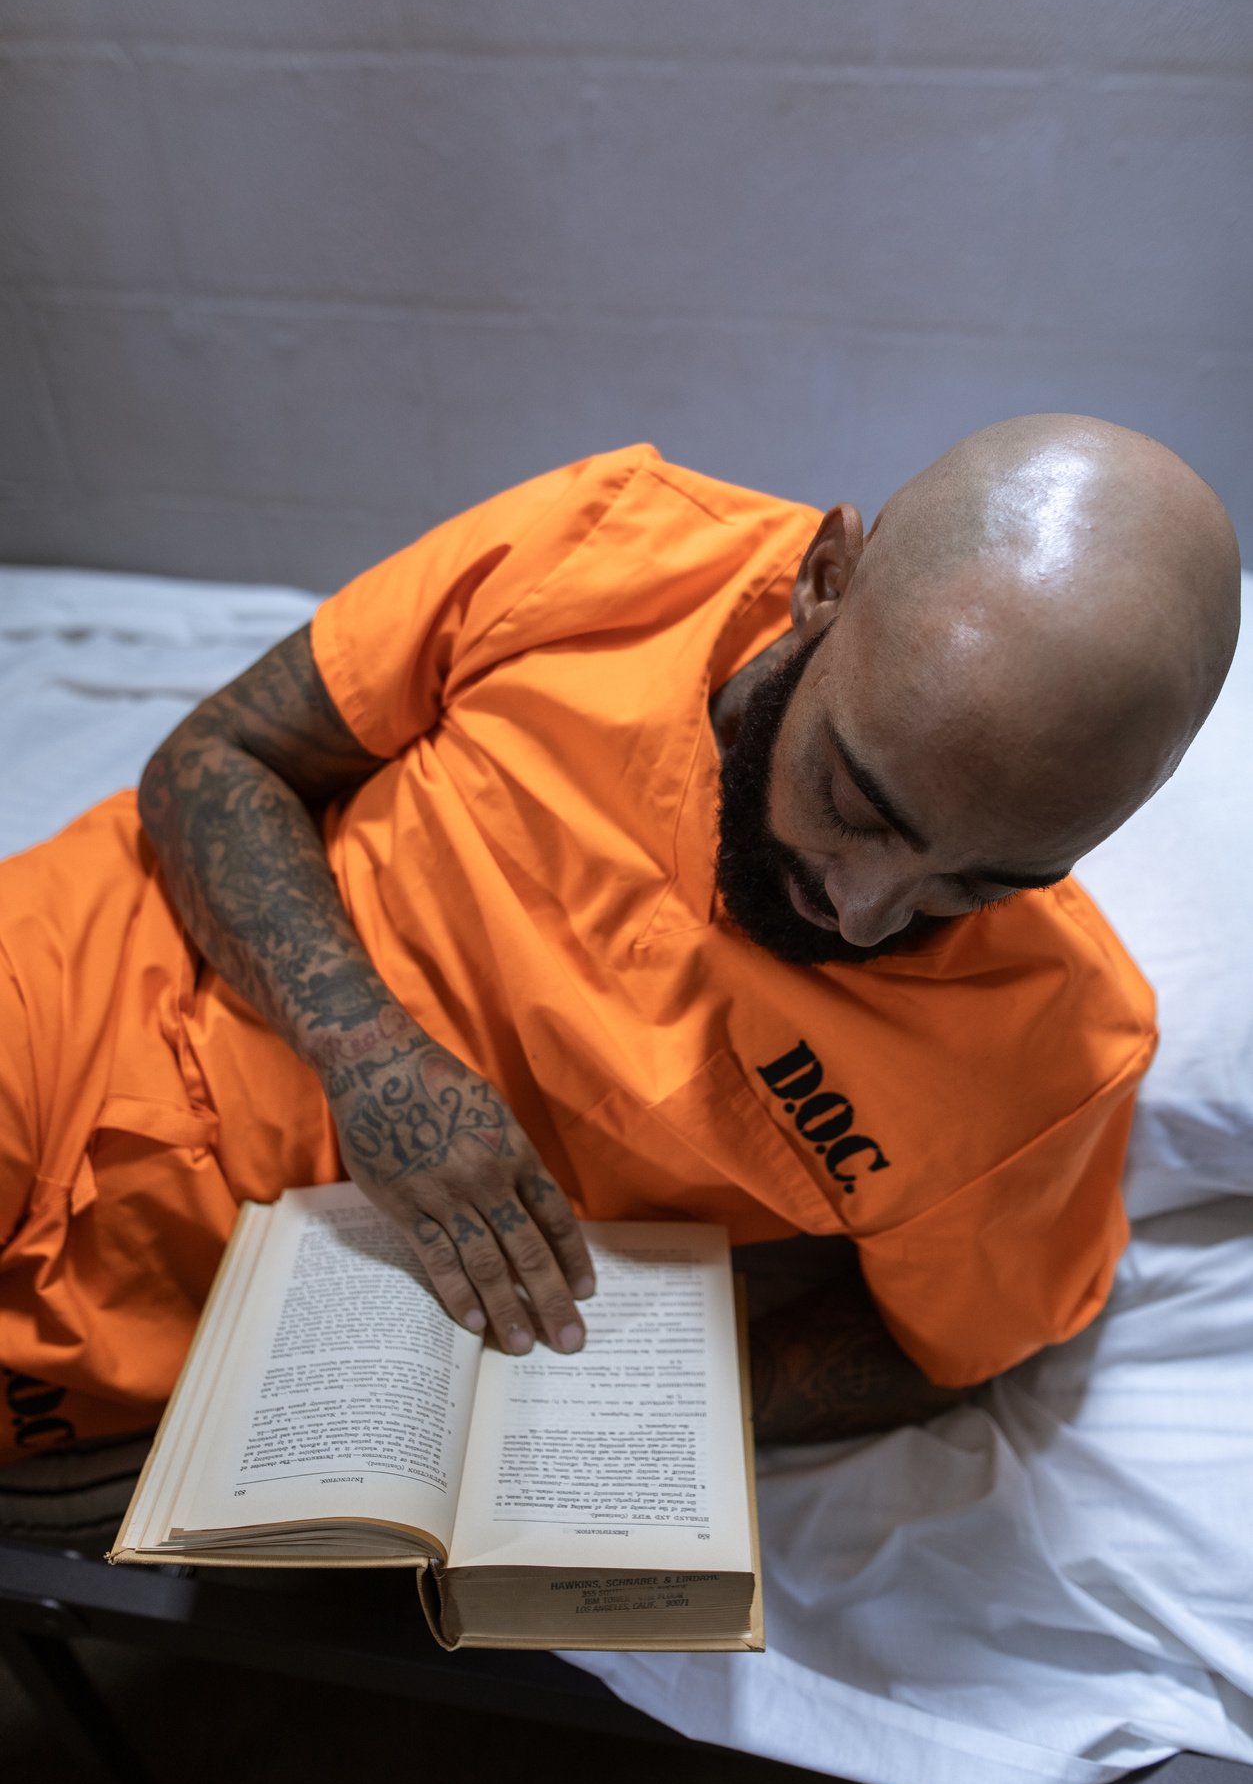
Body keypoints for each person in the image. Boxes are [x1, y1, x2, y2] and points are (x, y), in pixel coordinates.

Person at [0, 415, 1240, 1464]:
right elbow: (214, 758)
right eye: (856, 802)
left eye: (984, 880)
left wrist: (590, 1409)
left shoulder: (1043, 1065)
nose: (862, 909)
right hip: (93, 990)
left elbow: (939, 1355)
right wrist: (365, 1050)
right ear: (823, 580)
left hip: (294, 1330)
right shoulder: (610, 551)